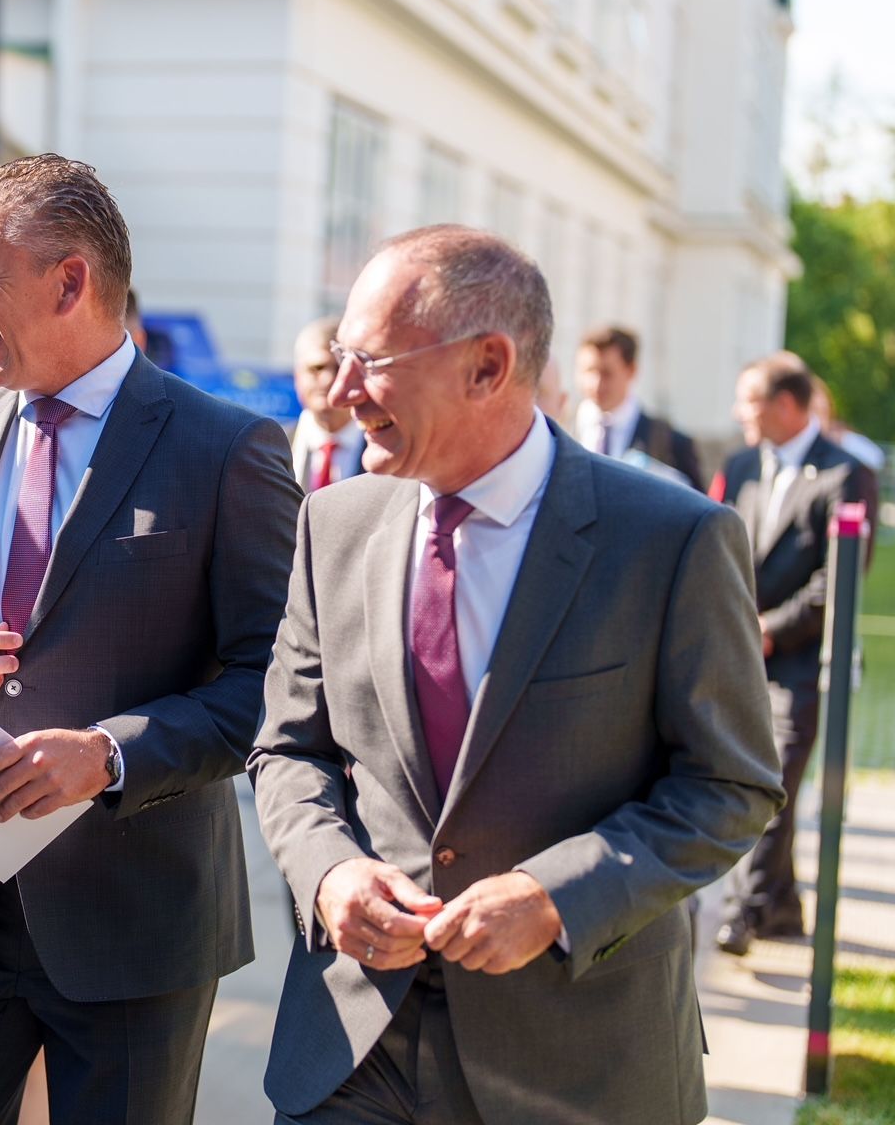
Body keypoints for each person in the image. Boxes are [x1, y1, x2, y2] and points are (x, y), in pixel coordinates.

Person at [251, 225, 784, 1124]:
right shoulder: (331, 524)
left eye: (371, 362)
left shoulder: (671, 540)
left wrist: (554, 897)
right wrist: (331, 874)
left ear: (489, 367)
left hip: (576, 1064)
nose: (342, 393)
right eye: (340, 358)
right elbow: (287, 751)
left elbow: (730, 785)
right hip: (352, 1048)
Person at [0, 153, 301, 1123]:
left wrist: (107, 755)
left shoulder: (224, 449)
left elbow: (274, 680)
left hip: (137, 926)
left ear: (71, 280)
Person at [714, 353, 878, 956]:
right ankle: (782, 908)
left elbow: (840, 581)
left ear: (785, 405)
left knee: (772, 789)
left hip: (802, 663)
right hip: (737, 657)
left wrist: (771, 629)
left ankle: (744, 912)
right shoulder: (738, 466)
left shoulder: (846, 474)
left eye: (749, 401)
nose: (739, 414)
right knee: (736, 779)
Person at [572, 324, 703, 491]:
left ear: (631, 371)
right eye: (589, 371)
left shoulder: (669, 442)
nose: (596, 383)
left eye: (607, 373)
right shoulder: (558, 430)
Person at [289, 317, 366, 491]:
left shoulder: (388, 452)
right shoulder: (270, 450)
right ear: (297, 375)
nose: (328, 380)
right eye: (317, 368)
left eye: (339, 368)